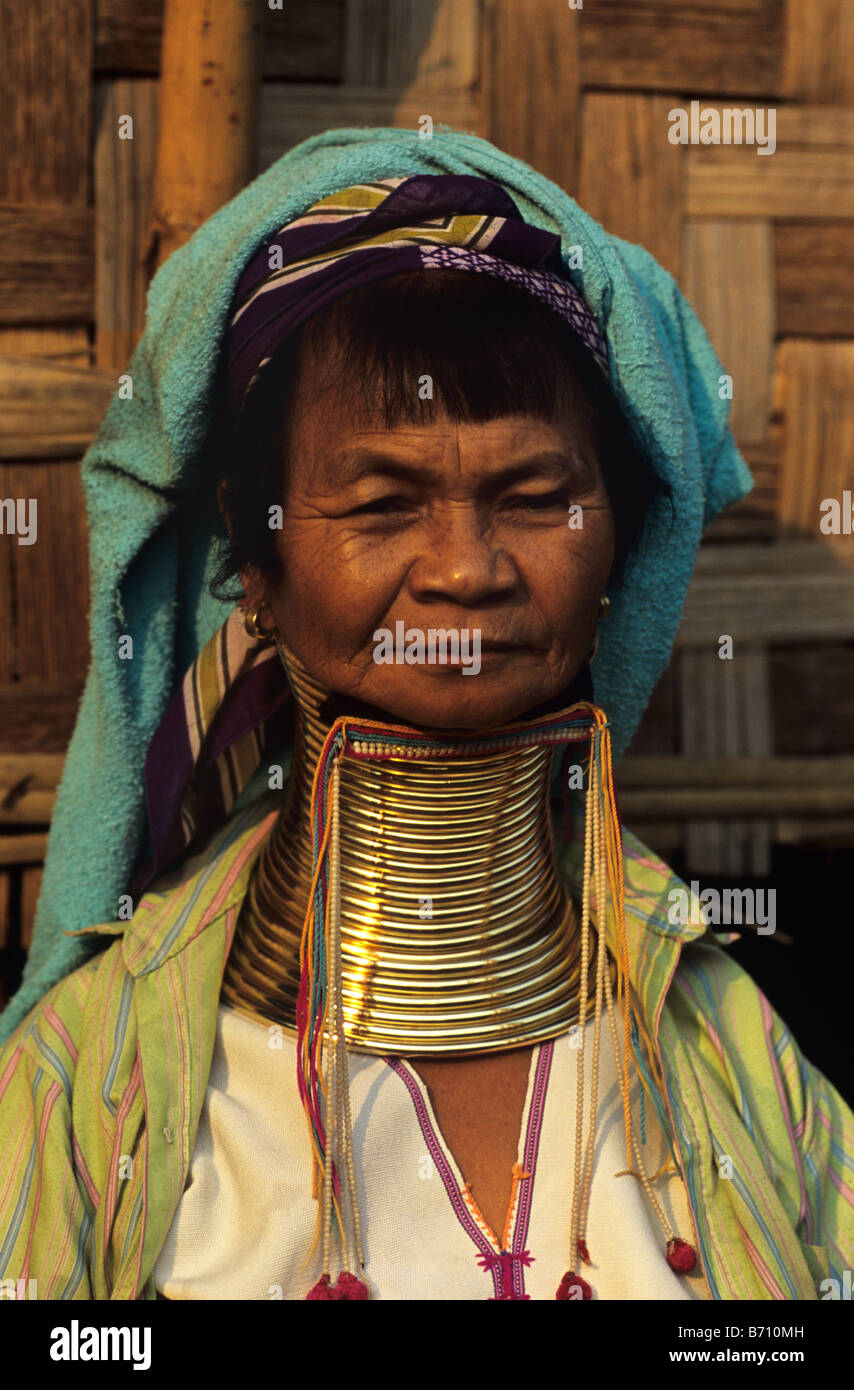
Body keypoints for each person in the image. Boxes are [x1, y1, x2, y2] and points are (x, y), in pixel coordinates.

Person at [0, 134, 851, 1302]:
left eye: (535, 495)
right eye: (384, 501)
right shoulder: (95, 1078)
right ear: (255, 554)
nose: (467, 569)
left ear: (617, 543)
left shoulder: (726, 1042)